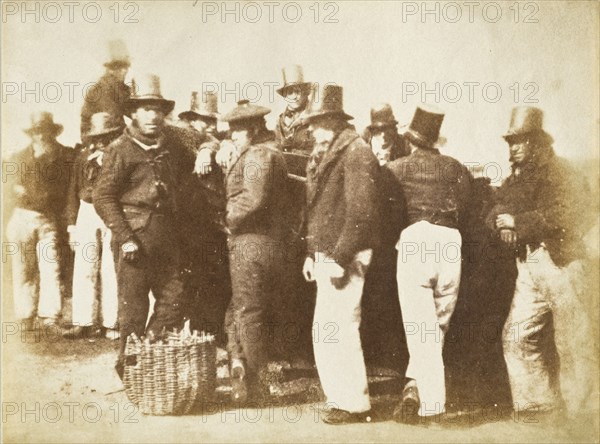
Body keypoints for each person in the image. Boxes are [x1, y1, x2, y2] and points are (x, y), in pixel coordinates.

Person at [486, 106, 596, 418]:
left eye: (520, 141)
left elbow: (575, 212)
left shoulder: (560, 171)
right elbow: (495, 206)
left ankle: (586, 413)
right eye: (510, 142)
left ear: (537, 142)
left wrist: (519, 222)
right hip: (530, 265)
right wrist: (502, 224)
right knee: (517, 335)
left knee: (573, 339)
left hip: (562, 262)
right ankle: (538, 405)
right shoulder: (518, 177)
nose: (513, 147)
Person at [93, 74, 189, 379]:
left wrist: (213, 151)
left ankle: (151, 349)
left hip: (167, 236)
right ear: (132, 113)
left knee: (176, 297)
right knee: (133, 309)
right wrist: (125, 237)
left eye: (158, 109)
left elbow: (202, 143)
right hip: (133, 239)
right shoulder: (120, 149)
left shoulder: (172, 142)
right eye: (146, 109)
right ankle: (130, 369)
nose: (153, 115)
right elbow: (103, 196)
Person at [386, 104, 473, 424]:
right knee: (437, 326)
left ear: (410, 141)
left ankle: (433, 407)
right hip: (451, 242)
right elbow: (466, 204)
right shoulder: (457, 168)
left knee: (421, 329)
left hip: (416, 240)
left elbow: (386, 208)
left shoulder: (396, 168)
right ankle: (414, 387)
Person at [301, 84, 380, 424]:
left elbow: (362, 214)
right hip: (327, 254)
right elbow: (317, 210)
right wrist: (311, 253)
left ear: (334, 121)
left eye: (317, 121)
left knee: (341, 327)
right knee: (326, 329)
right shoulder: (331, 151)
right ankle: (340, 399)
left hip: (344, 256)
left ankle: (354, 404)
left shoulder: (356, 151)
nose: (311, 128)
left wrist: (340, 256)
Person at [220, 99, 289, 403]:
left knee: (249, 312)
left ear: (253, 129)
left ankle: (256, 383)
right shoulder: (261, 151)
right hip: (262, 242)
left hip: (251, 242)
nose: (232, 136)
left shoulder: (259, 154)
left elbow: (254, 198)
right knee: (240, 308)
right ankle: (239, 364)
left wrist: (227, 219)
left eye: (237, 130)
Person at [5, 112, 74, 329]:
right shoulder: (18, 157)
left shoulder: (64, 157)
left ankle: (50, 316)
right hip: (22, 217)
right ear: (32, 134)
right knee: (23, 268)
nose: (41, 136)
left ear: (52, 133)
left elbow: (64, 190)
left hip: (48, 219)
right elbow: (10, 188)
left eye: (45, 131)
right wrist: (17, 191)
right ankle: (25, 315)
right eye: (37, 131)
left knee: (50, 265)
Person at [63, 113, 123, 340]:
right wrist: (71, 225)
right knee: (84, 266)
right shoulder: (82, 158)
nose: (101, 142)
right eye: (97, 137)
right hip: (87, 211)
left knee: (110, 267)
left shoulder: (118, 156)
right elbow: (72, 191)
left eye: (106, 137)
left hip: (111, 210)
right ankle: (83, 321)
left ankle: (111, 322)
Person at [360, 103, 410, 374]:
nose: (383, 136)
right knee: (371, 292)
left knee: (391, 293)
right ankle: (374, 354)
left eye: (387, 130)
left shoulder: (403, 152)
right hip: (372, 233)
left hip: (396, 232)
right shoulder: (364, 152)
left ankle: (392, 357)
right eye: (378, 131)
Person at [80, 39, 131, 142]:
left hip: (111, 133)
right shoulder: (102, 89)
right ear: (110, 69)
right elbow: (115, 119)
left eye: (125, 66)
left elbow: (134, 109)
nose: (124, 71)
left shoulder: (121, 89)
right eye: (119, 67)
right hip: (97, 140)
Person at [274, 64, 313, 154]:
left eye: (297, 91)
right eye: (290, 92)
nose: (294, 97)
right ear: (285, 96)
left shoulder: (316, 116)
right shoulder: (281, 121)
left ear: (306, 92)